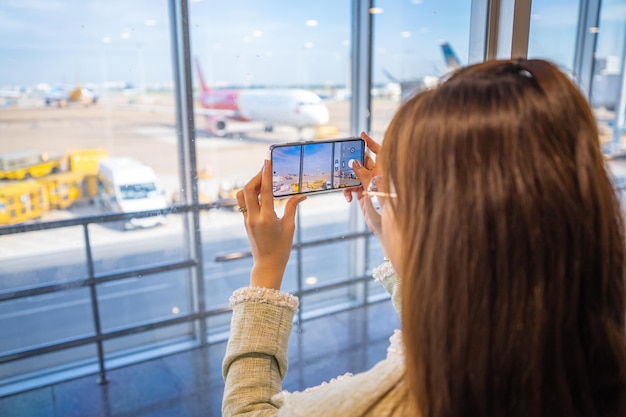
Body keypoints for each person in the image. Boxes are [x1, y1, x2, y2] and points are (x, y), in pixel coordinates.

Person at [223, 58, 626, 417]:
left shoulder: (402, 399)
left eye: (393, 193)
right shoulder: (591, 343)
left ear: (441, 229)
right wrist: (393, 222)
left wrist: (266, 270)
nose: (382, 199)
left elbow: (248, 410)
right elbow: (458, 307)